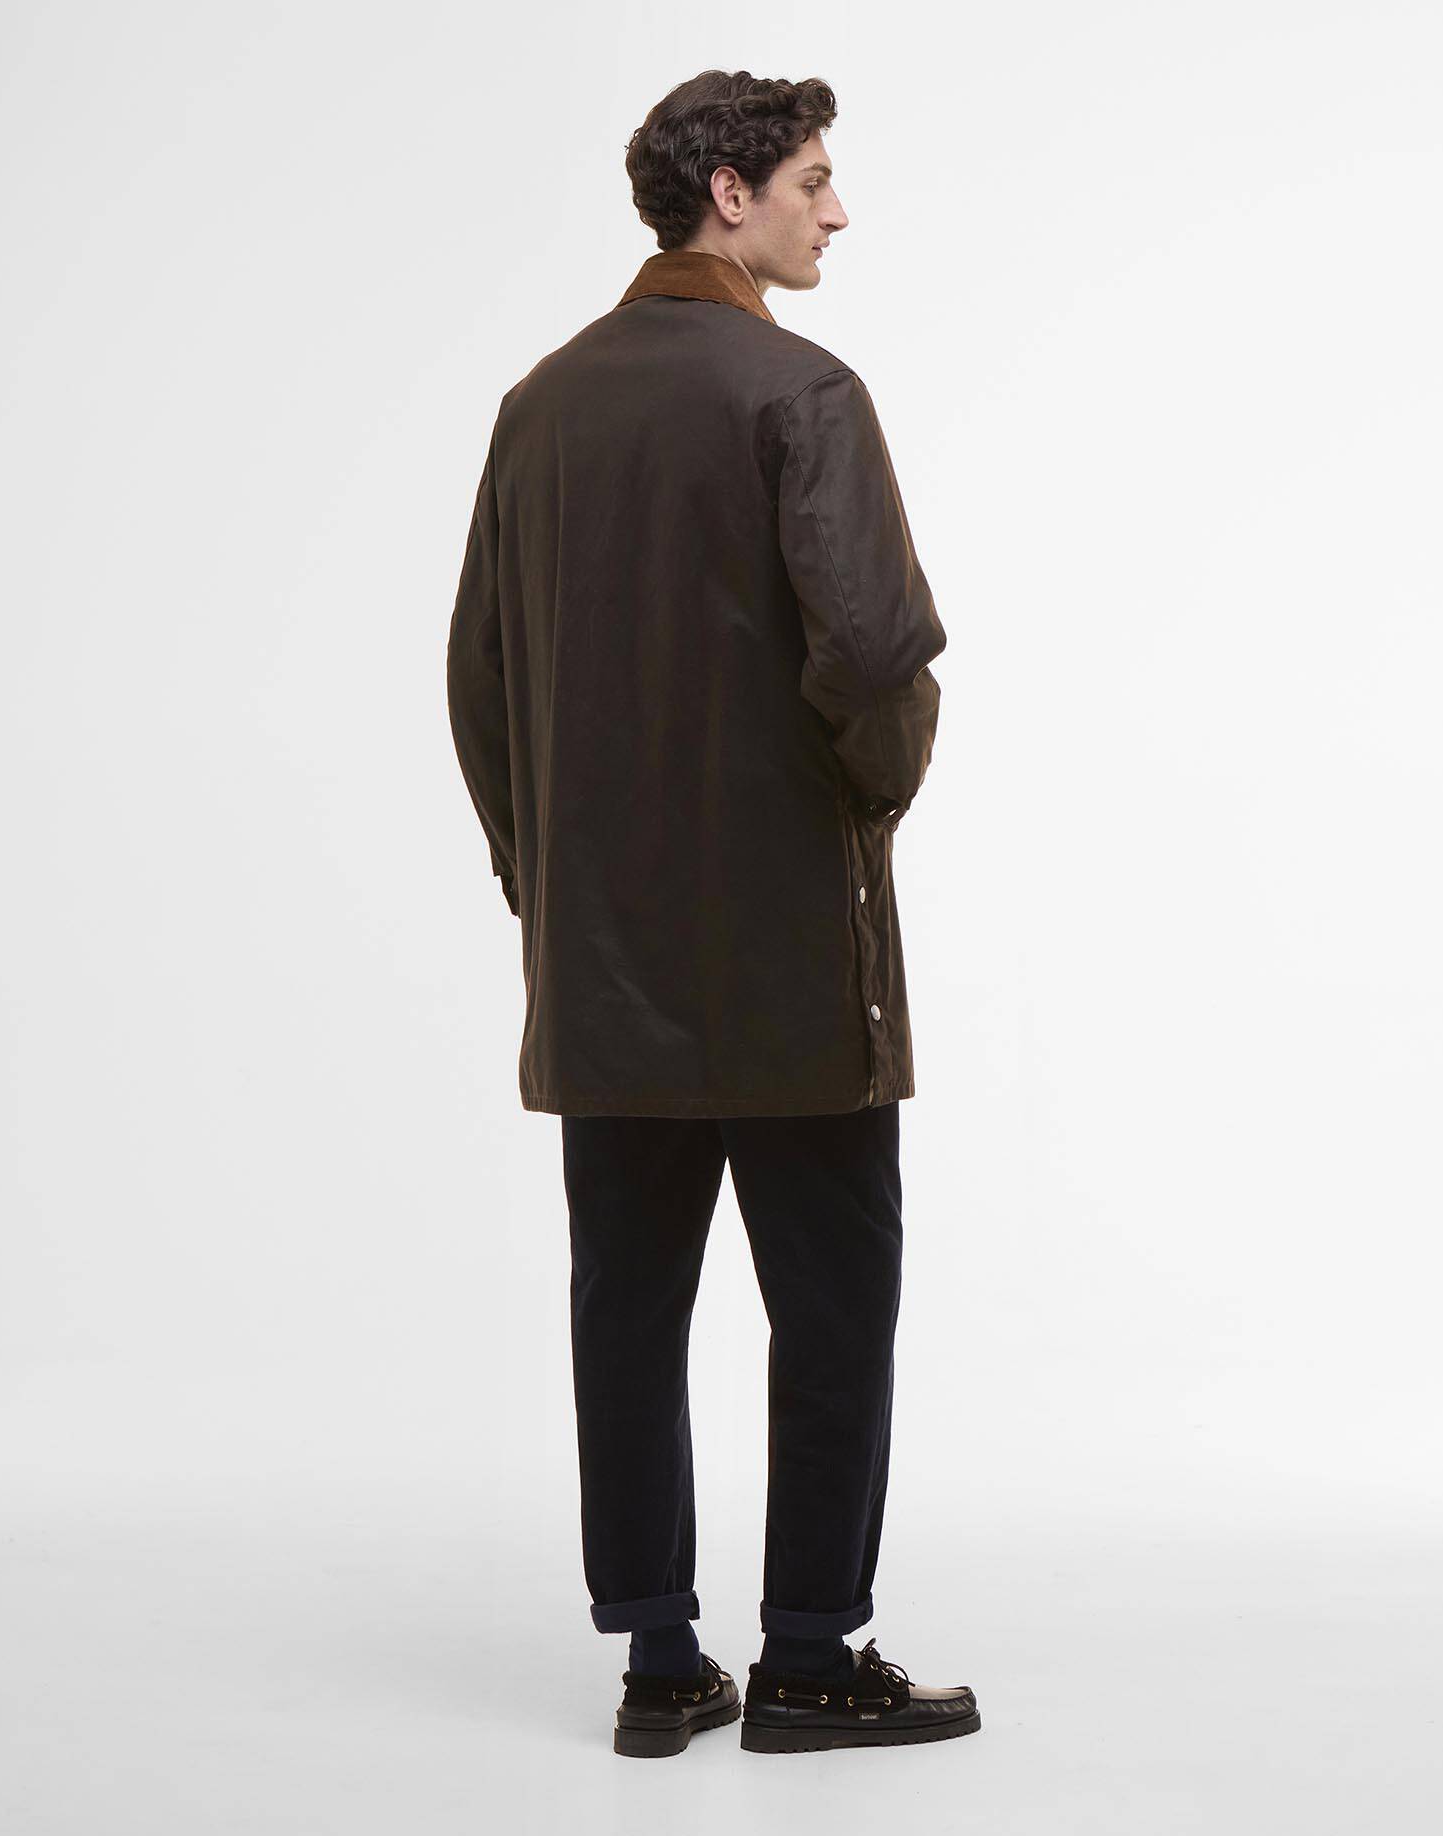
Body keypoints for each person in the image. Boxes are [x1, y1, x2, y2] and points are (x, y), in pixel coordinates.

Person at [446, 67, 977, 1758]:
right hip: (793, 965)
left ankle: (660, 1663)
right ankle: (810, 1655)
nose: (839, 211)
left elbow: (479, 681)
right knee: (831, 1304)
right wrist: (867, 804)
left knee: (627, 1305)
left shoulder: (539, 405)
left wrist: (550, 881)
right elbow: (875, 656)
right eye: (814, 180)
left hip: (602, 968)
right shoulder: (801, 390)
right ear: (729, 196)